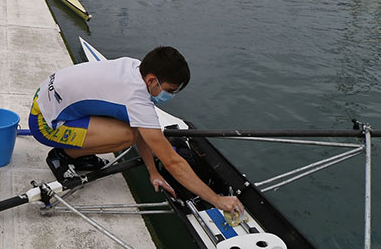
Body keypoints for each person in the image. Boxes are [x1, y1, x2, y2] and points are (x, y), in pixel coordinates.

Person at [28, 46, 244, 216]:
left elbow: (140, 125)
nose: (171, 96)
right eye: (170, 91)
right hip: (45, 124)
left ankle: (78, 152)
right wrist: (217, 200)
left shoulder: (134, 66)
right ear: (152, 80)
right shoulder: (136, 99)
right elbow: (173, 162)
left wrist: (153, 172)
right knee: (127, 136)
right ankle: (62, 156)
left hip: (47, 97)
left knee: (133, 128)